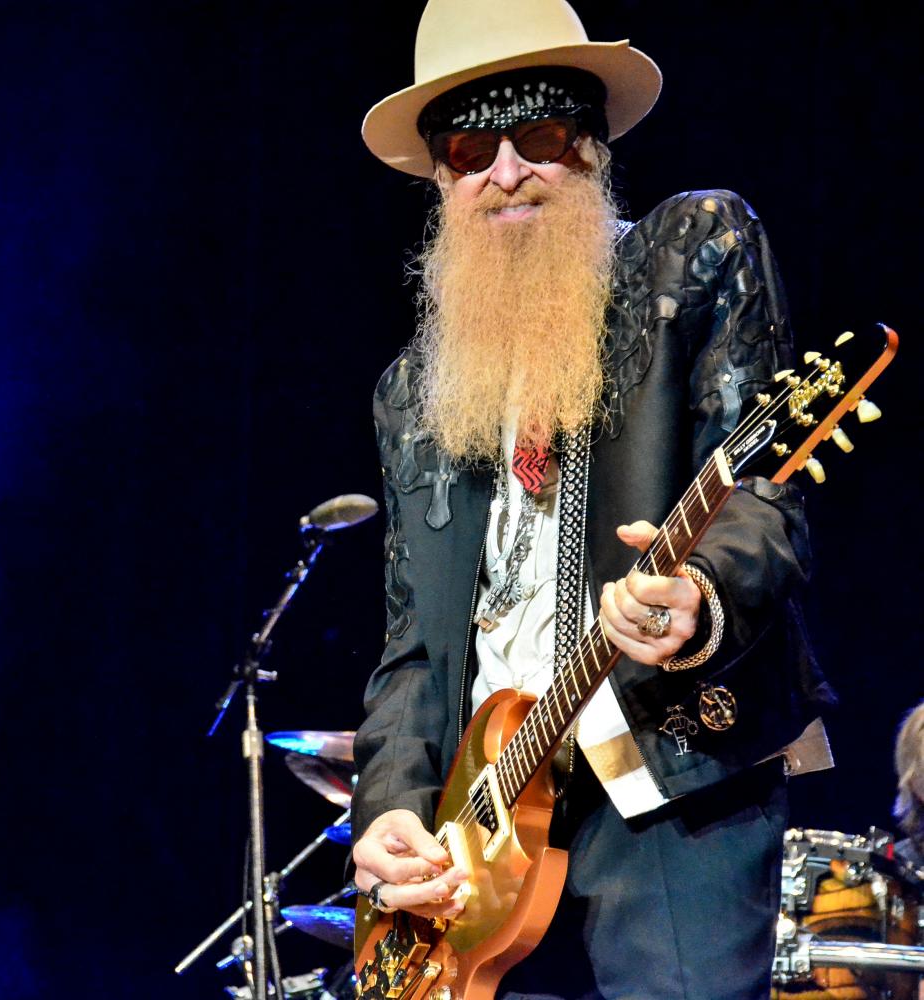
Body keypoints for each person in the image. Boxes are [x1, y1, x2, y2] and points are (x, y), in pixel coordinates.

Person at [347, 1, 834, 996]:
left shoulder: (694, 254)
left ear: (592, 148)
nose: (506, 171)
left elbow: (764, 500)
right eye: (470, 148)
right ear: (441, 177)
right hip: (477, 840)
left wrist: (699, 594)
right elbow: (412, 648)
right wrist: (391, 804)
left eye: (541, 134)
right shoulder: (415, 392)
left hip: (668, 785)